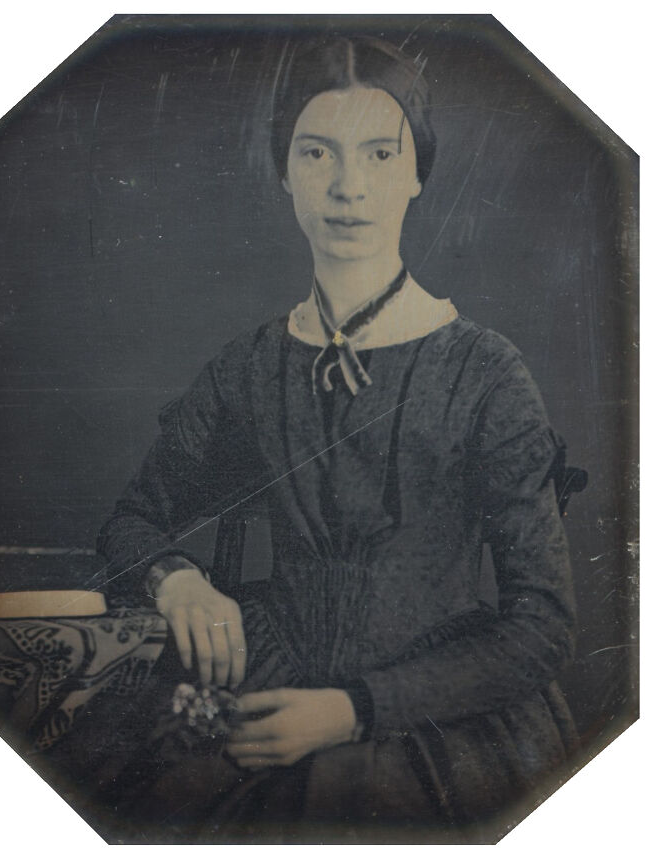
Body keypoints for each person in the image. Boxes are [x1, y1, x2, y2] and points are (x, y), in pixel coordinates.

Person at [94, 35, 579, 844]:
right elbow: (131, 523)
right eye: (317, 152)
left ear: (417, 172)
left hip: (437, 728)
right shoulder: (250, 367)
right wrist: (177, 581)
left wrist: (354, 710)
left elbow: (544, 628)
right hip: (261, 695)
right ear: (284, 172)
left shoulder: (486, 372)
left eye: (380, 154)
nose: (349, 186)